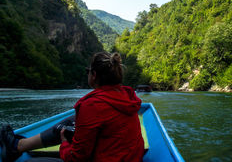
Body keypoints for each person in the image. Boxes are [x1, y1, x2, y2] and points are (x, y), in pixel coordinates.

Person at [0, 52, 145, 162]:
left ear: (93, 75)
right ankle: (19, 145)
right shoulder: (128, 97)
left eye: (88, 71)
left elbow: (76, 158)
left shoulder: (93, 105)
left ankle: (17, 146)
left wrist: (64, 145)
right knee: (73, 121)